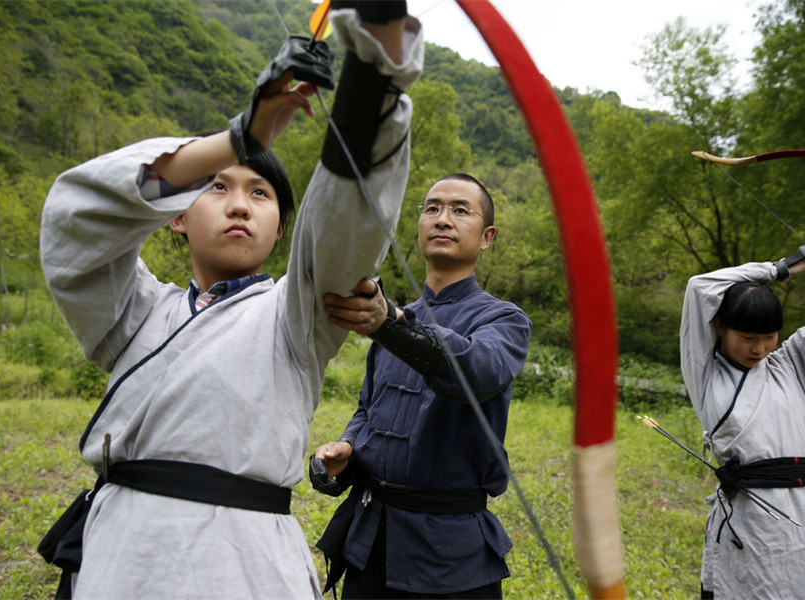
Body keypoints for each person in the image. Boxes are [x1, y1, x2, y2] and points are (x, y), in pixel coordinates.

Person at [37, 4, 423, 598]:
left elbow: (343, 224)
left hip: (240, 564)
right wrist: (242, 137)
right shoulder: (136, 312)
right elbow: (74, 220)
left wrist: (374, 52)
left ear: (281, 229)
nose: (240, 204)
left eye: (261, 193)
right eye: (217, 186)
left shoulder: (295, 318)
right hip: (119, 556)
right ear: (176, 217)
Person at [309, 173, 532, 598]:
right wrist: (347, 448)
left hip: (450, 554)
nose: (442, 218)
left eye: (459, 210)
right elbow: (367, 409)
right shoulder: (392, 319)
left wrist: (389, 324)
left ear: (487, 237)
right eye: (432, 208)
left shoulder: (504, 320)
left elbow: (476, 371)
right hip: (371, 539)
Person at [680, 243, 805, 599]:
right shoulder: (706, 375)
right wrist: (780, 269)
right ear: (719, 326)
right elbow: (699, 288)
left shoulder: (793, 367)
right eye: (748, 338)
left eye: (768, 338)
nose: (759, 349)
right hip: (751, 521)